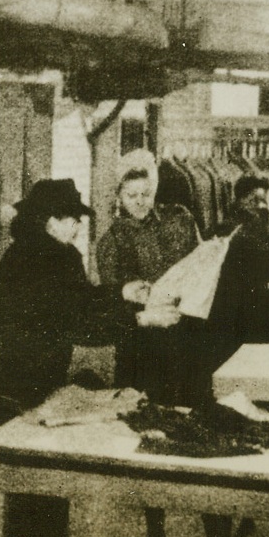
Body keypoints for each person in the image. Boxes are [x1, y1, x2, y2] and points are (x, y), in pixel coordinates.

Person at [0, 178, 178, 537]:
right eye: (70, 218)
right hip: (12, 397)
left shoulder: (26, 253)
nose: (77, 225)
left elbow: (78, 300)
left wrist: (124, 292)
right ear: (47, 221)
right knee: (26, 500)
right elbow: (76, 321)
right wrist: (141, 317)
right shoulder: (50, 258)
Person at [95, 164, 199, 396]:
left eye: (146, 194)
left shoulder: (174, 224)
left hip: (176, 328)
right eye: (131, 195)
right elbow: (112, 296)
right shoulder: (110, 242)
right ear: (119, 198)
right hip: (138, 336)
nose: (140, 201)